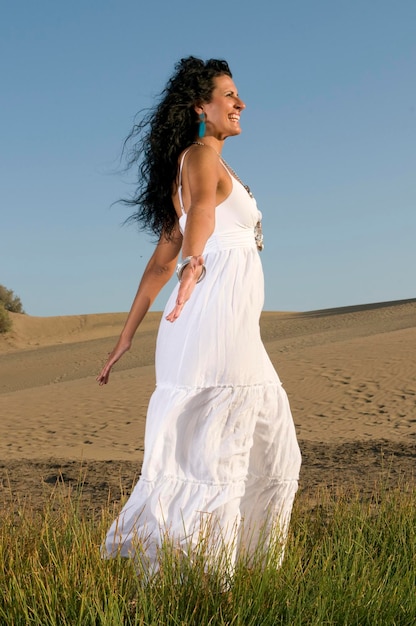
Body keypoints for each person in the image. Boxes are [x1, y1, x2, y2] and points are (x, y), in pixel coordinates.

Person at [97, 56, 301, 575]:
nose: (240, 103)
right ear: (201, 108)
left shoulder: (196, 168)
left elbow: (155, 264)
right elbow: (202, 220)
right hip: (211, 315)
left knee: (243, 449)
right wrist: (195, 263)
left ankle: (226, 573)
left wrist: (126, 337)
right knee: (228, 450)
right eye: (229, 95)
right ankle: (212, 581)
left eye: (238, 95)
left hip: (213, 320)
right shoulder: (199, 157)